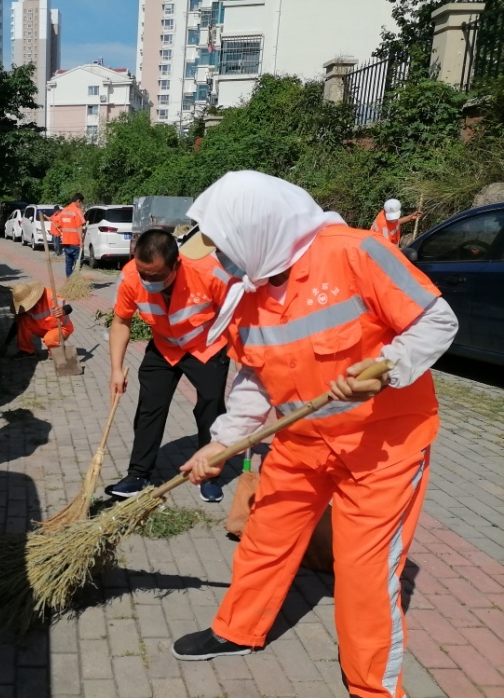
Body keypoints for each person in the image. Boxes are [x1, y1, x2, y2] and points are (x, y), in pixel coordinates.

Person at [172, 171, 458, 698]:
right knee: (264, 540)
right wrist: (220, 443)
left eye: (227, 247)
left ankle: (373, 688)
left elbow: (437, 321)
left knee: (364, 574)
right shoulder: (251, 289)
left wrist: (387, 368)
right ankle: (237, 631)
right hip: (300, 443)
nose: (223, 261)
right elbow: (256, 379)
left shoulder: (355, 254)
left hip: (382, 449)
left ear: (256, 230)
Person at [104, 228, 234, 503]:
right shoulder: (130, 276)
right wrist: (116, 369)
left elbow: (237, 315)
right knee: (150, 408)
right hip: (164, 347)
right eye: (144, 273)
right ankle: (138, 475)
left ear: (177, 264)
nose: (148, 280)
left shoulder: (210, 273)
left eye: (156, 275)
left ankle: (209, 474)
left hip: (206, 347)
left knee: (210, 408)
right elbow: (121, 322)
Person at [0, 281, 74, 359]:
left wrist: (63, 311)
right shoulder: (24, 308)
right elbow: (16, 324)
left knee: (49, 339)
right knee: (22, 319)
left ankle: (54, 350)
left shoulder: (49, 295)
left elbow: (69, 307)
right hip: (42, 328)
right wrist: (6, 343)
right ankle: (27, 351)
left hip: (60, 328)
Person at [49, 193, 86, 277]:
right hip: (75, 241)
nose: (81, 205)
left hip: (66, 241)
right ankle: (73, 279)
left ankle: (69, 279)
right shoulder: (77, 211)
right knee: (79, 262)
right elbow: (79, 226)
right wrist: (81, 241)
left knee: (68, 263)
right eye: (81, 203)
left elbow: (59, 225)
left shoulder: (64, 211)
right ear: (78, 201)